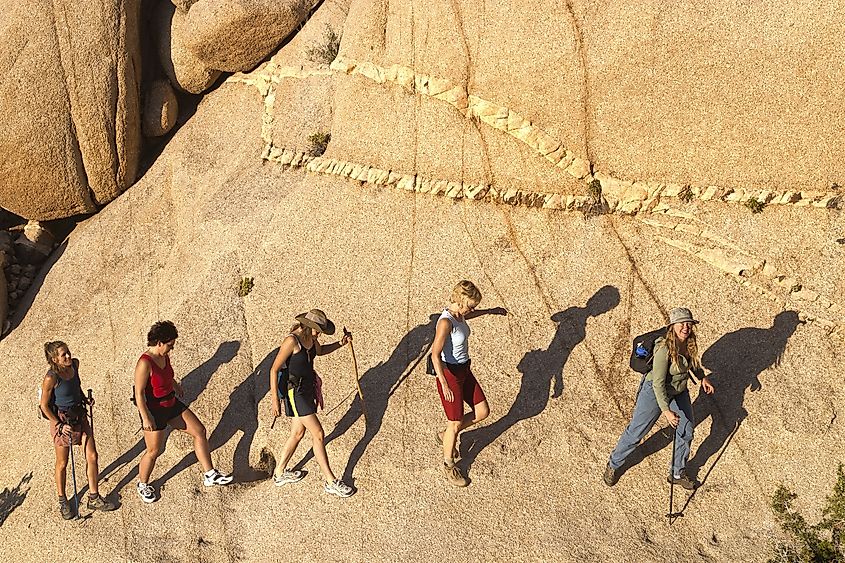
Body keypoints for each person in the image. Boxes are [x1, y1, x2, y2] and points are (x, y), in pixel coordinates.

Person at [604, 307, 715, 490]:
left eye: (689, 324)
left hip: (678, 390)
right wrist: (667, 412)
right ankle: (614, 464)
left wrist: (702, 377)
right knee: (637, 431)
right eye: (682, 324)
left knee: (686, 429)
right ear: (672, 326)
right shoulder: (664, 348)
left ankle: (677, 472)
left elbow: (692, 362)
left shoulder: (689, 342)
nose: (686, 327)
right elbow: (658, 384)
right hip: (654, 391)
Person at [133, 321, 232, 503]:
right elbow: (138, 393)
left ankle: (210, 474)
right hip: (154, 410)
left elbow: (168, 376)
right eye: (170, 345)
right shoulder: (144, 363)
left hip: (171, 403)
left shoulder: (164, 356)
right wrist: (146, 417)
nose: (172, 348)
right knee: (154, 450)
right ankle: (142, 484)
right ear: (159, 342)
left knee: (199, 431)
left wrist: (176, 385)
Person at [269, 309, 354, 498]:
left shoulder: (312, 339)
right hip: (295, 392)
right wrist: (275, 400)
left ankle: (280, 473)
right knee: (318, 433)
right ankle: (331, 481)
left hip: (307, 390)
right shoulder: (292, 341)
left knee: (298, 433)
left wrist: (341, 343)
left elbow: (321, 351)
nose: (319, 334)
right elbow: (273, 370)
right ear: (307, 326)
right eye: (317, 330)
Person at [431, 280, 506, 487]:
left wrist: (491, 311)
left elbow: (471, 315)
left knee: (482, 411)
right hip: (450, 374)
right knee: (454, 423)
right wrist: (443, 382)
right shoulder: (445, 322)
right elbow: (435, 354)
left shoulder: (460, 314)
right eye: (471, 305)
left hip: (464, 369)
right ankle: (449, 464)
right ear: (461, 300)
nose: (473, 309)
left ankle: (446, 436)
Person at [40, 341, 117, 519]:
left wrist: (84, 398)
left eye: (68, 352)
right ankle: (62, 500)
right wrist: (58, 424)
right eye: (63, 355)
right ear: (54, 359)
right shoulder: (51, 378)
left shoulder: (75, 364)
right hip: (62, 421)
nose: (68, 356)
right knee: (62, 463)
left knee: (92, 456)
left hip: (79, 415)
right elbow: (44, 406)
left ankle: (94, 497)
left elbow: (77, 386)